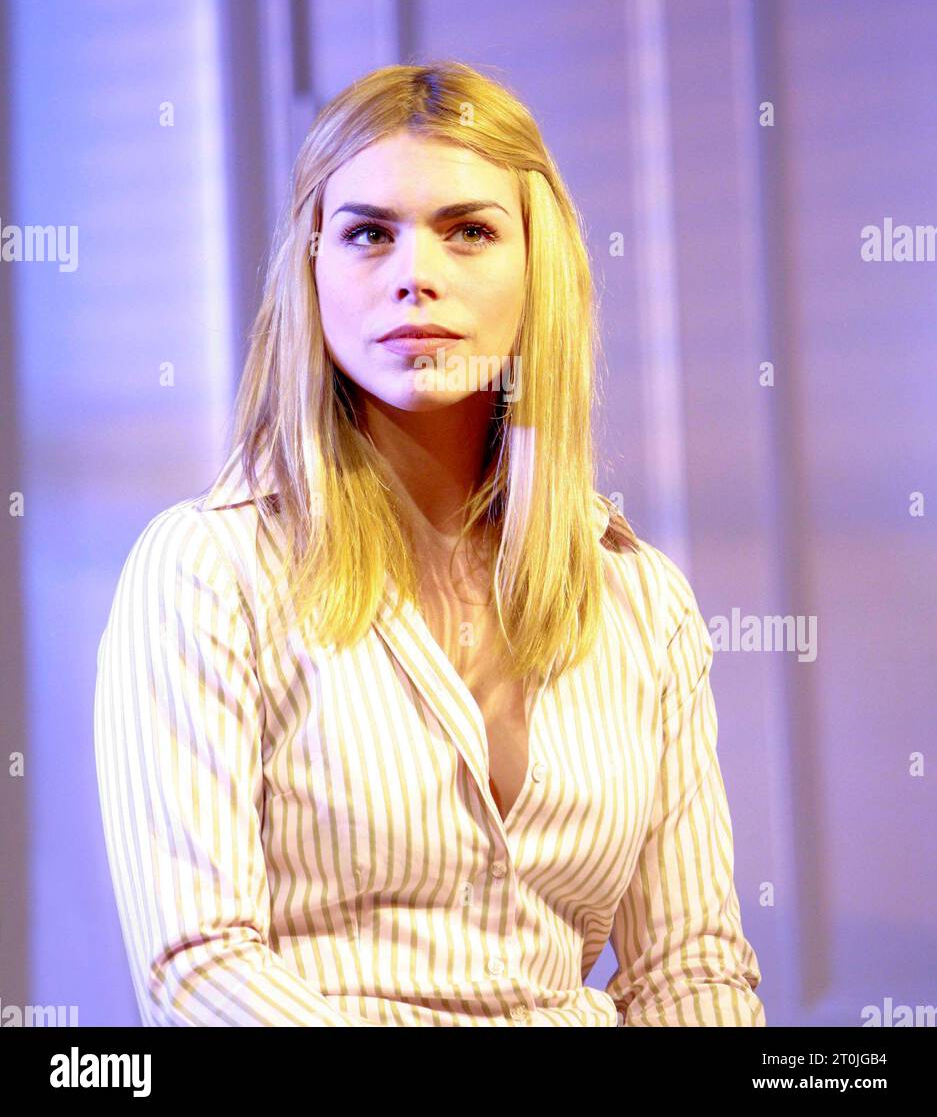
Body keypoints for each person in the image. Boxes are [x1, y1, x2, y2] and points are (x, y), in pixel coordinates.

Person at [93, 60, 766, 1027]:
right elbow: (198, 969)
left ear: (537, 266)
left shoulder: (641, 600)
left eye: (469, 232)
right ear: (312, 267)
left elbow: (687, 971)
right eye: (369, 233)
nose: (416, 274)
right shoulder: (206, 572)